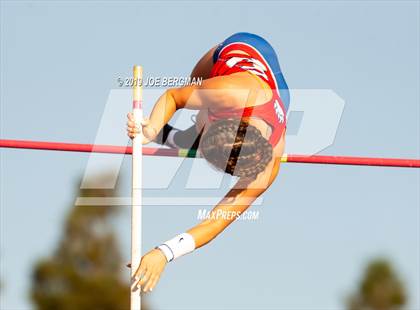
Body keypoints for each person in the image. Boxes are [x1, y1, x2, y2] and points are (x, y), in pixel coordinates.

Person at [127, 32, 289, 292]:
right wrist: (150, 129)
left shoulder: (268, 167)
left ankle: (173, 136)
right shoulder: (227, 91)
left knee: (195, 128)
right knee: (193, 87)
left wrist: (164, 253)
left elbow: (215, 222)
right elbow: (174, 97)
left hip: (275, 94)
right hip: (246, 46)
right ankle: (173, 134)